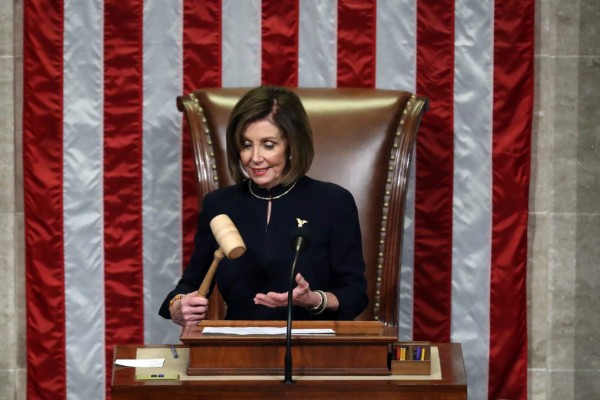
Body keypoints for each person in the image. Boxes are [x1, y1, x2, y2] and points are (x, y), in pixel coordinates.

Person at [159, 86, 368, 326]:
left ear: (292, 145)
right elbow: (190, 284)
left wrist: (313, 300)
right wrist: (178, 306)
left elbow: (354, 294)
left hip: (312, 349)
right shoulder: (219, 204)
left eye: (268, 145)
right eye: (246, 144)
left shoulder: (334, 202)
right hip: (238, 349)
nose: (254, 157)